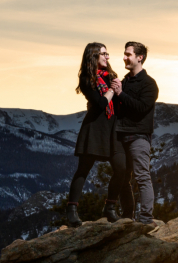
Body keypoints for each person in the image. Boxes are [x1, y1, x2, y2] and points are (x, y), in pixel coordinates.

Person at [66, 42, 130, 226]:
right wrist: (112, 90)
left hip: (113, 130)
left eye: (107, 53)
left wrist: (119, 90)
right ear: (94, 56)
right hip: (94, 129)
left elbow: (119, 102)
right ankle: (71, 210)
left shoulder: (112, 77)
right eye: (103, 53)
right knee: (83, 170)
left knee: (121, 168)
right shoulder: (87, 79)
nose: (107, 57)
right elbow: (100, 104)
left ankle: (109, 208)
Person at [110, 41, 159, 227]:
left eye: (128, 54)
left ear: (140, 57)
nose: (124, 57)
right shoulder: (124, 81)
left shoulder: (149, 84)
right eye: (124, 54)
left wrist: (120, 94)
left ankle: (146, 219)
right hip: (120, 136)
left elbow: (141, 108)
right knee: (122, 176)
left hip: (138, 136)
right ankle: (127, 216)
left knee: (142, 176)